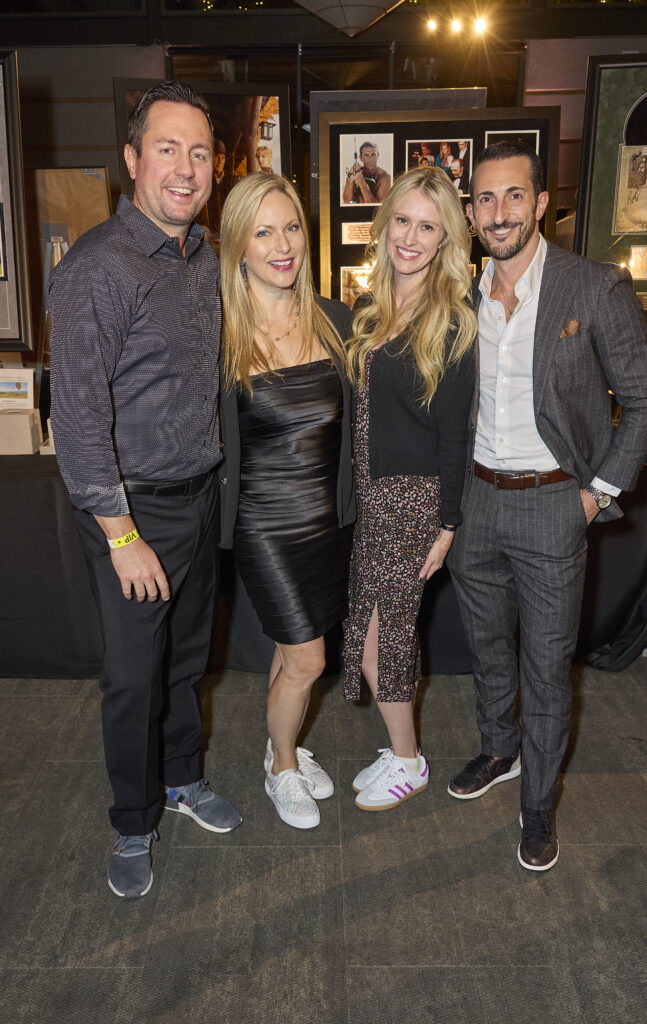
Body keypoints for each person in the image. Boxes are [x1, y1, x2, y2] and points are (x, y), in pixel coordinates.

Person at [447, 141, 647, 871]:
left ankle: (537, 804)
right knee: (485, 648)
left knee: (545, 667)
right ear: (470, 212)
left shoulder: (592, 286)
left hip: (553, 504)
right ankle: (498, 749)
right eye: (485, 199)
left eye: (513, 195)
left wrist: (595, 495)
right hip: (476, 500)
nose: (499, 212)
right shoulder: (459, 294)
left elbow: (645, 402)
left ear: (540, 203)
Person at [48, 81, 242, 900]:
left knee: (187, 661)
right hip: (131, 510)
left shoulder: (201, 257)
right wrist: (123, 536)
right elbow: (77, 418)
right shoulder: (97, 268)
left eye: (199, 152)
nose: (185, 167)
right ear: (132, 159)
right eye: (167, 149)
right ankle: (133, 820)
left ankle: (181, 777)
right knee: (134, 677)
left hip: (199, 496)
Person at [218, 173, 355, 830]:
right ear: (238, 246)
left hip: (328, 519)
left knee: (289, 647)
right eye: (263, 232)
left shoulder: (333, 319)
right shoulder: (219, 332)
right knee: (309, 658)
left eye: (291, 227)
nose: (282, 245)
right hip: (265, 524)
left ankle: (286, 743)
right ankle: (280, 765)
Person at [343, 166, 478, 812]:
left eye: (428, 227)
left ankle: (407, 760)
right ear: (385, 222)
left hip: (415, 502)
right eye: (402, 220)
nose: (410, 237)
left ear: (445, 239)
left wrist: (447, 525)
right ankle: (401, 751)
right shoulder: (368, 309)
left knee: (383, 640)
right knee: (372, 629)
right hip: (372, 498)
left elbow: (454, 435)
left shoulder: (451, 321)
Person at [202, 138, 229, 235]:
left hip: (227, 231)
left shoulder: (230, 182)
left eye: (222, 158)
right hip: (209, 232)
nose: (220, 161)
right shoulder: (204, 180)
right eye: (217, 157)